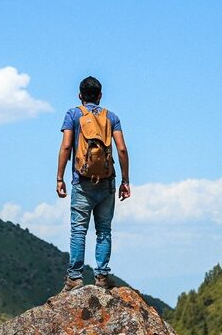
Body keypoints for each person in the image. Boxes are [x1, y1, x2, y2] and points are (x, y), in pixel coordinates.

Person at [56, 76, 131, 292]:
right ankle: (102, 277)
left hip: (82, 181)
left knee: (79, 230)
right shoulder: (112, 117)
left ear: (80, 95)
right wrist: (125, 180)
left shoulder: (73, 114)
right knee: (104, 230)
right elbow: (122, 149)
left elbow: (66, 146)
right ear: (100, 96)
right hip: (107, 181)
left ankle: (74, 278)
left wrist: (59, 178)